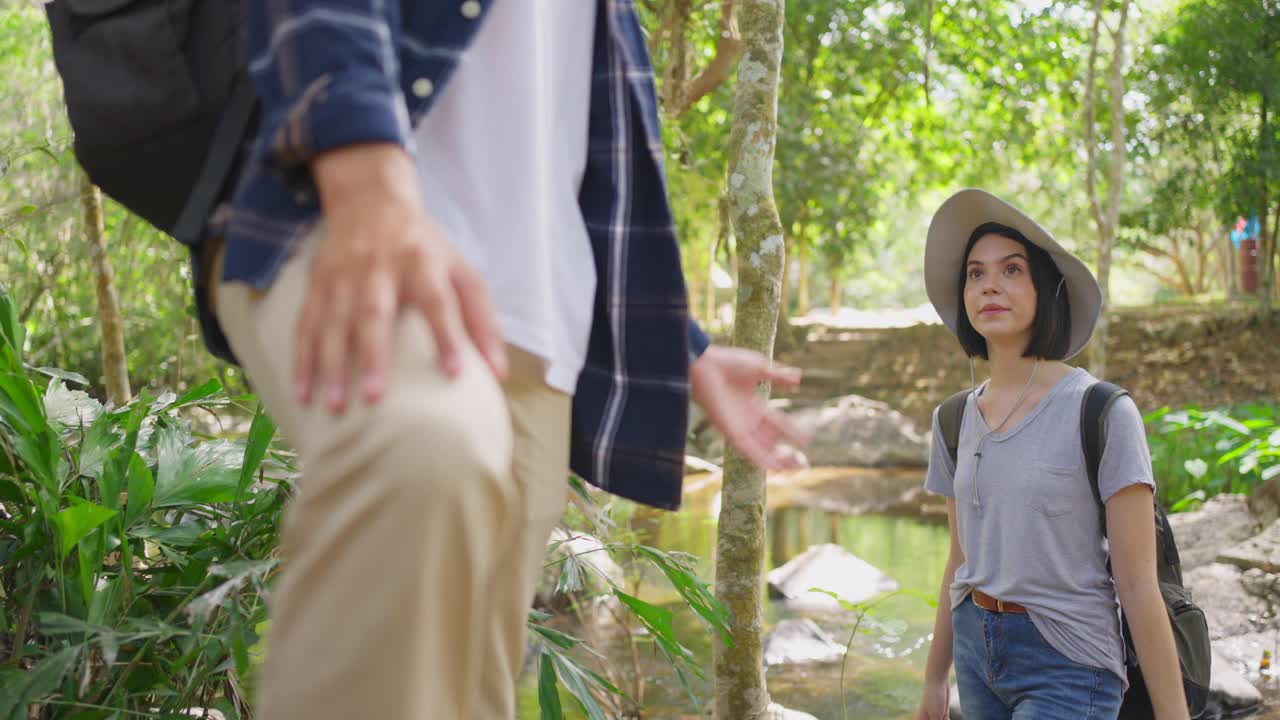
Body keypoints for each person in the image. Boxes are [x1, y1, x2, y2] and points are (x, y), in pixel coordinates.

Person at [195, 2, 809, 718]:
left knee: (473, 686)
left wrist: (684, 349)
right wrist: (363, 179)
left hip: (537, 318)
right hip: (354, 219)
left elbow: (579, 134)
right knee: (426, 452)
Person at [913, 189, 1188, 720]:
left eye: (1012, 270)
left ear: (1046, 288)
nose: (990, 284)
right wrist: (933, 677)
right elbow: (959, 560)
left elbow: (1137, 583)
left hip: (1069, 661)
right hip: (976, 654)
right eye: (975, 273)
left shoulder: (1103, 412)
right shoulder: (952, 419)